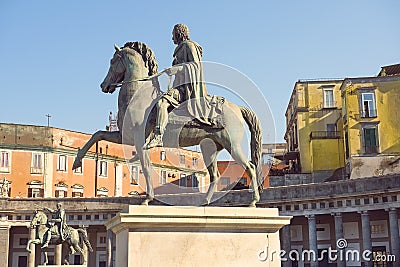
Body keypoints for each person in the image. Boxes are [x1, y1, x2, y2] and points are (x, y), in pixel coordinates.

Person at [144, 24, 216, 149]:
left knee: (161, 102)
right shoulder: (180, 49)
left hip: (186, 89)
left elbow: (195, 66)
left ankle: (158, 136)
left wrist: (176, 69)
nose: (172, 38)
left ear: (179, 33)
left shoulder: (189, 46)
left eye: (173, 35)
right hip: (180, 86)